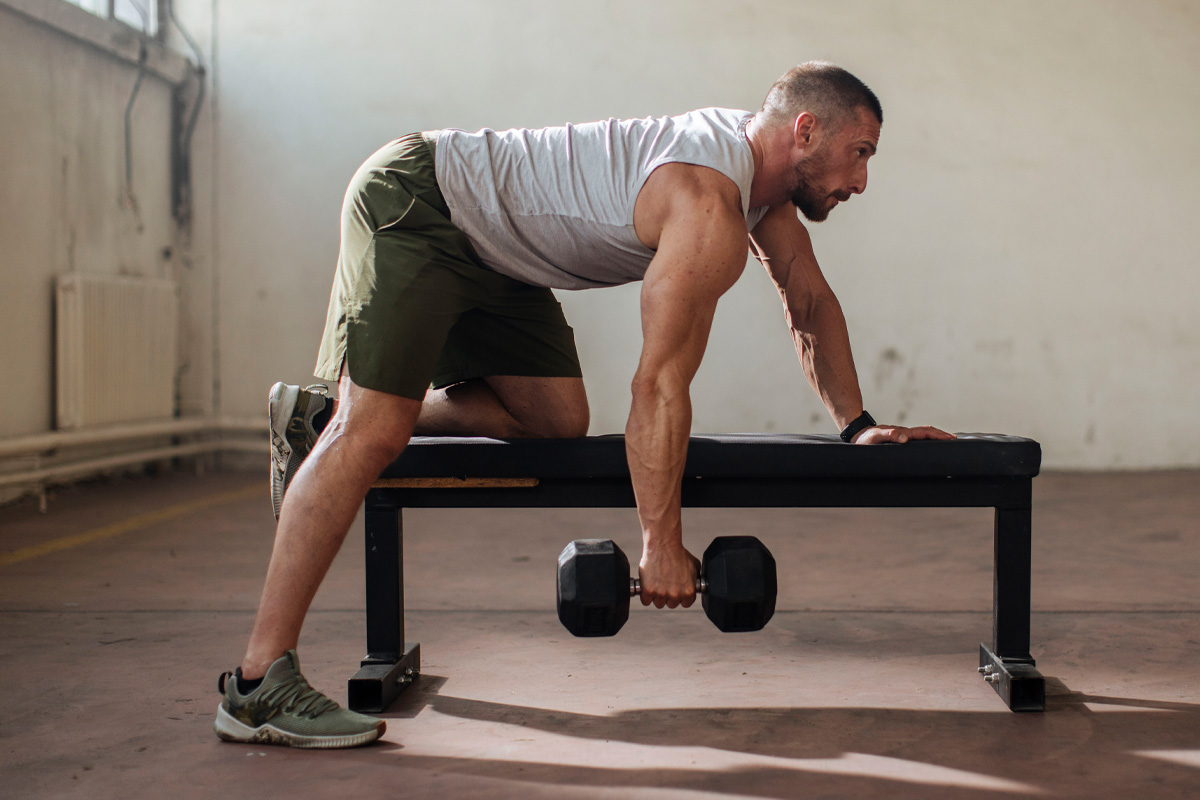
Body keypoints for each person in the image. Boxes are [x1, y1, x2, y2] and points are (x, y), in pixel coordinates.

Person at [213, 61, 954, 749]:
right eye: (861, 153)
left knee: (555, 422)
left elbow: (809, 299)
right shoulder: (706, 205)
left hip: (498, 249)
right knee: (371, 432)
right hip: (424, 200)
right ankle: (257, 684)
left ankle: (317, 416)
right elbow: (658, 385)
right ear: (806, 131)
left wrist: (858, 426)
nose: (861, 180)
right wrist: (661, 542)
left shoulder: (754, 185)